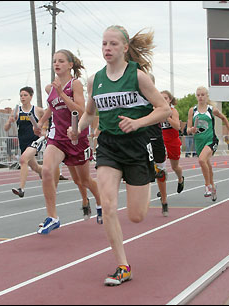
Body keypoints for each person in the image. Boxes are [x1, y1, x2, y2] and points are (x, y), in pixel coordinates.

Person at [67, 25, 171, 286]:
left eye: (113, 44)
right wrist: (77, 128)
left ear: (125, 48)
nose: (107, 48)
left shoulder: (139, 77)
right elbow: (90, 113)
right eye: (104, 44)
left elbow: (164, 110)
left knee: (136, 216)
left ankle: (151, 174)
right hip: (109, 146)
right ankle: (123, 266)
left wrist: (138, 123)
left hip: (136, 146)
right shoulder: (96, 80)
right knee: (110, 205)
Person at [34, 49, 103, 235]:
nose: (57, 64)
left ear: (70, 65)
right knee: (47, 170)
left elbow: (82, 111)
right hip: (57, 137)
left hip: (76, 137)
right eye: (55, 61)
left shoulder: (76, 84)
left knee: (83, 180)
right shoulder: (50, 87)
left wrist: (62, 94)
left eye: (61, 61)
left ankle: (100, 202)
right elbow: (51, 107)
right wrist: (41, 122)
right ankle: (53, 217)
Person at [187, 86, 229, 201]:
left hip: (211, 140)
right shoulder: (192, 110)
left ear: (206, 96)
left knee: (201, 160)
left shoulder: (211, 109)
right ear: (196, 96)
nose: (200, 97)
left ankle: (207, 186)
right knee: (207, 165)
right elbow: (188, 128)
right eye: (198, 95)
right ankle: (213, 186)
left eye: (202, 95)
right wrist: (191, 130)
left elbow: (224, 118)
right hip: (199, 142)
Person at [4, 86, 45, 197]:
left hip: (35, 140)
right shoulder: (16, 110)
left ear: (31, 97)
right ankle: (47, 175)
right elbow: (6, 128)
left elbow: (48, 118)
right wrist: (10, 121)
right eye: (21, 95)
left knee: (23, 160)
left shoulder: (38, 110)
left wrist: (44, 131)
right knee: (35, 168)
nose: (23, 97)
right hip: (23, 142)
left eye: (25, 95)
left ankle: (21, 189)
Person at [147, 73, 169, 217]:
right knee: (142, 170)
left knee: (160, 173)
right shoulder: (135, 99)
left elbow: (165, 113)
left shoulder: (156, 99)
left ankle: (164, 200)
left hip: (156, 138)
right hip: (141, 139)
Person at [160, 90, 185, 194]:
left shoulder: (173, 111)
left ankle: (180, 179)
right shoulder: (158, 110)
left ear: (170, 100)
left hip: (173, 141)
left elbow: (177, 126)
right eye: (161, 98)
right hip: (161, 141)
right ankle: (162, 189)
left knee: (175, 167)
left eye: (165, 98)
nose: (163, 100)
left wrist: (167, 118)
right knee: (160, 165)